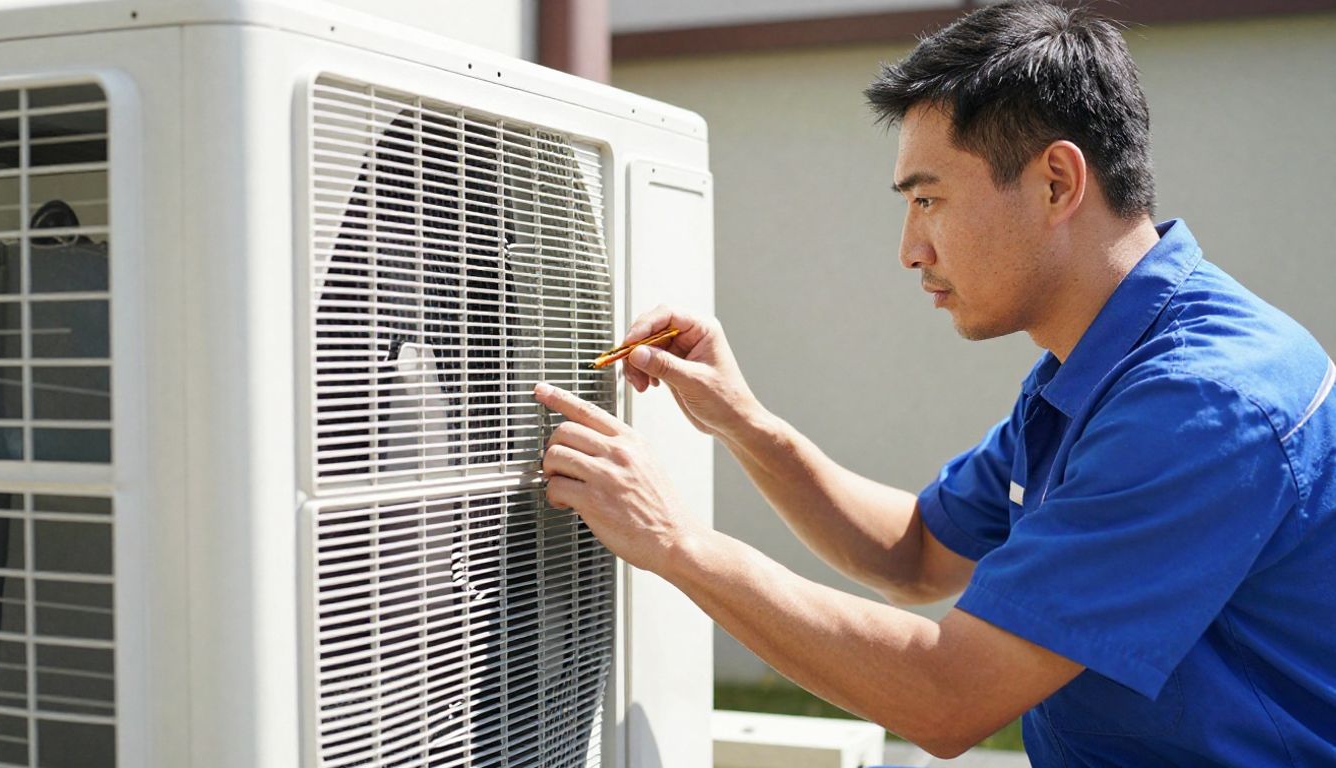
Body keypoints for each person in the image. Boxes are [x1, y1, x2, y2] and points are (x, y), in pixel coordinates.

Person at [532, 0, 1336, 763]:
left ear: (1058, 182)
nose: (910, 249)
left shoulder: (1201, 404)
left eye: (929, 199)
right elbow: (915, 554)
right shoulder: (1095, 368)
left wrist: (677, 543)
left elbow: (948, 698)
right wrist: (743, 421)